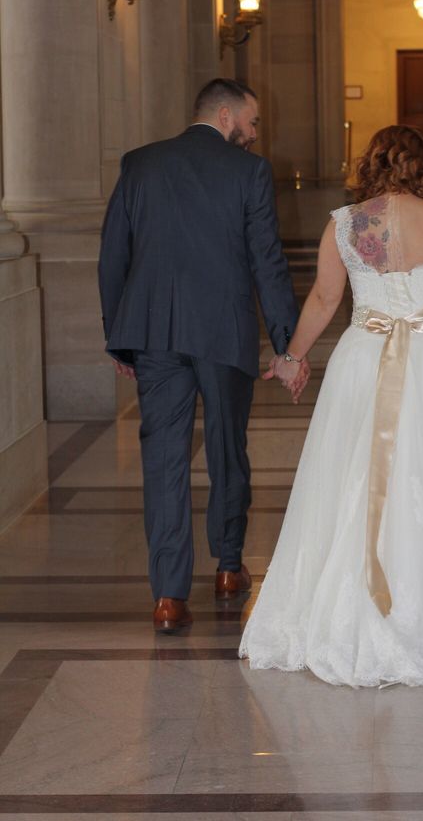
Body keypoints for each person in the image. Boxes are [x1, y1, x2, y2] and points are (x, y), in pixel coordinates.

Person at [242, 124, 423, 686]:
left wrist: (292, 357)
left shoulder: (344, 224)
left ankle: (351, 601)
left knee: (353, 471)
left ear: (370, 165)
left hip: (363, 357)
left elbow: (325, 298)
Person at [98, 78, 306, 633]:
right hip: (222, 331)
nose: (255, 133)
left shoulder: (140, 164)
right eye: (252, 122)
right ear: (226, 115)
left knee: (163, 460)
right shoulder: (249, 172)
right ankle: (229, 568)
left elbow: (113, 253)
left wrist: (119, 334)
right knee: (226, 448)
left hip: (154, 332)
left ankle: (168, 597)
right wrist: (288, 345)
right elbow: (267, 261)